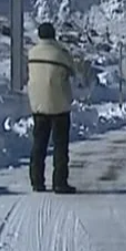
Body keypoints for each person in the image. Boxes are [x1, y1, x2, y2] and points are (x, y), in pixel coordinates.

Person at [27, 22, 77, 194]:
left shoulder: (32, 53)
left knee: (39, 144)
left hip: (38, 104)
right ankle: (59, 182)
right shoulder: (61, 53)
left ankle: (37, 181)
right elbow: (73, 70)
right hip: (59, 104)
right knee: (60, 145)